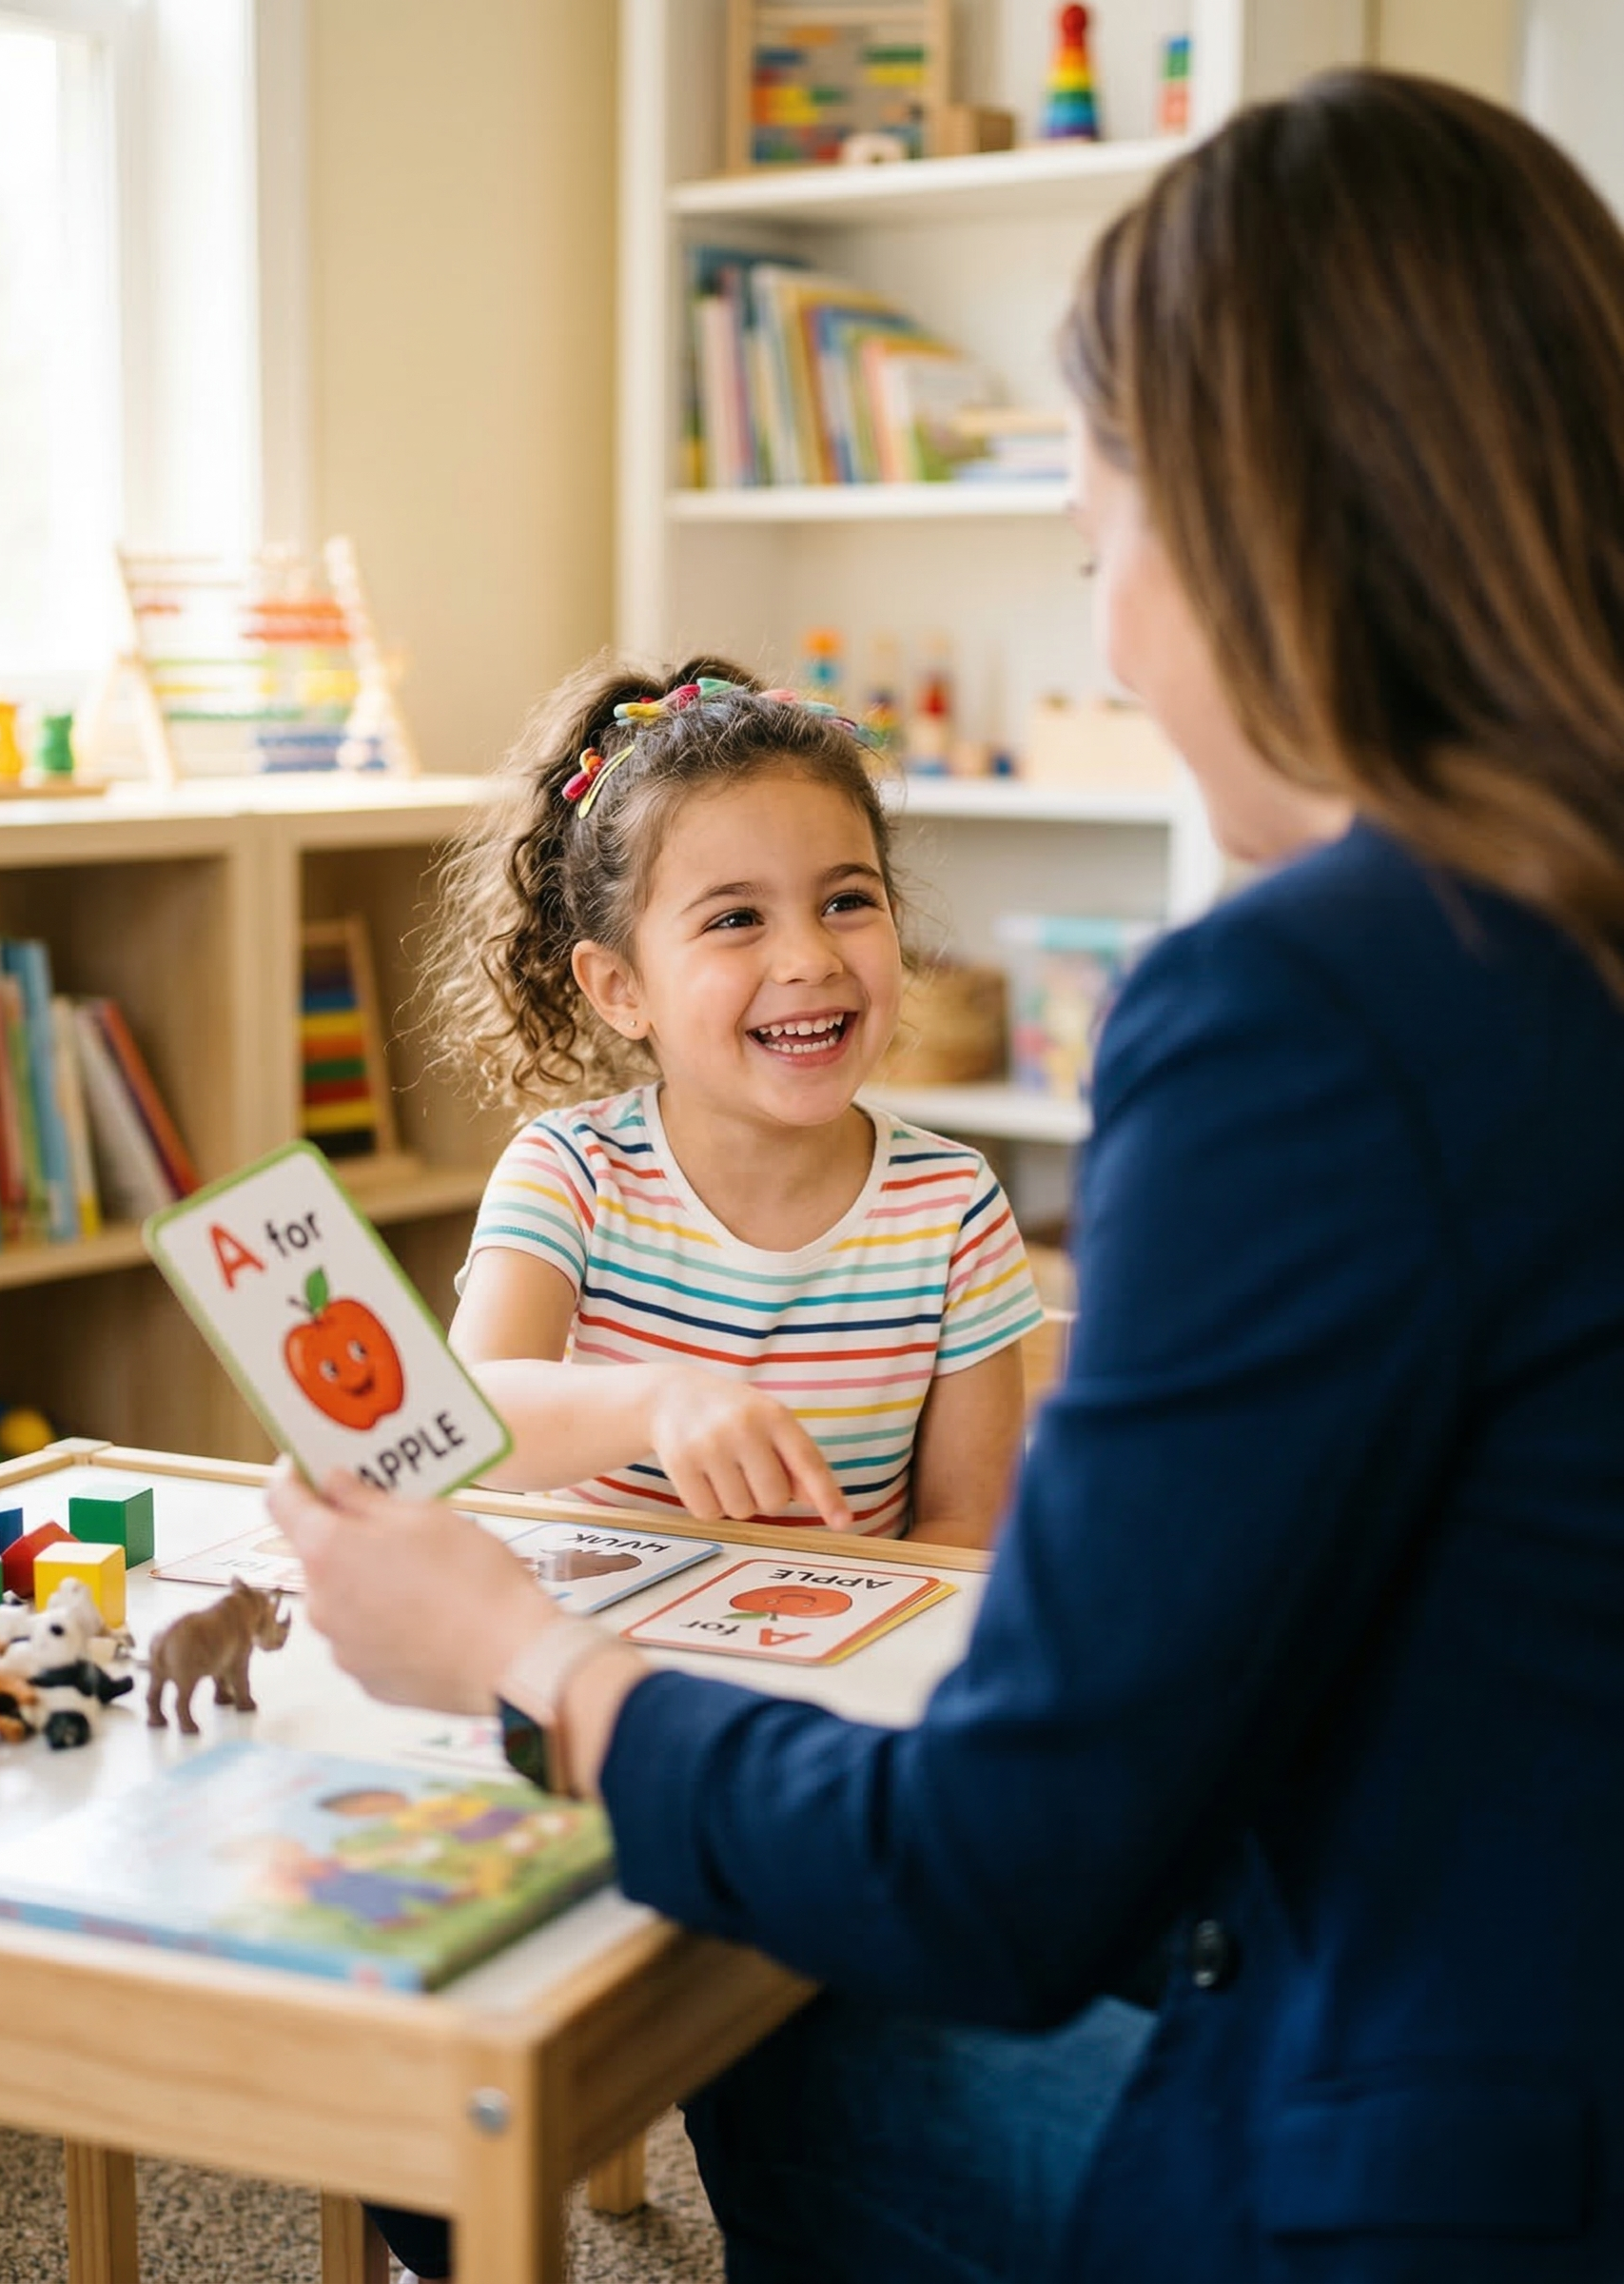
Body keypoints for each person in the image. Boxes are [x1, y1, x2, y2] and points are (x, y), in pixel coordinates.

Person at [275, 69, 1624, 2284]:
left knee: (778, 1978)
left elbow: (999, 1872)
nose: (1110, 640)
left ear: (1249, 532)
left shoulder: (1305, 1008)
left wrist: (526, 1654)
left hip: (1466, 2155)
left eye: (1099, 549)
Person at [431, 658, 1044, 1546]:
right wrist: (654, 1402)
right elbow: (467, 1418)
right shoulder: (571, 1173)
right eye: (735, 919)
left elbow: (967, 1526)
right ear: (620, 987)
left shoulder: (953, 1209)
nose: (809, 959)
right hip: (591, 1633)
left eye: (846, 901)